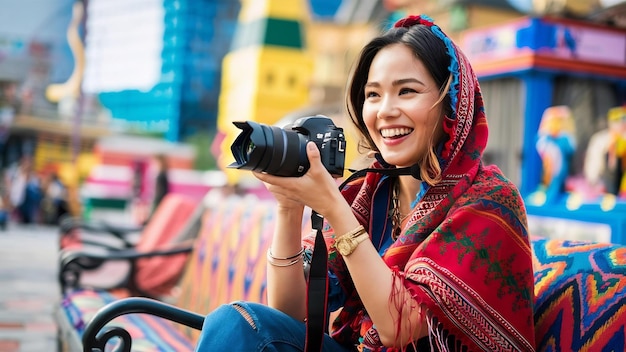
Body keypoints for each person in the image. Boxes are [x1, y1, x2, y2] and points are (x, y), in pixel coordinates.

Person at [195, 14, 536, 351]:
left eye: (406, 91)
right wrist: (289, 206)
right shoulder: (368, 194)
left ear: (450, 103)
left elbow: (398, 326)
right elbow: (286, 314)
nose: (385, 110)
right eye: (373, 95)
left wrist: (332, 206)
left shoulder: (490, 200)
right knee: (237, 322)